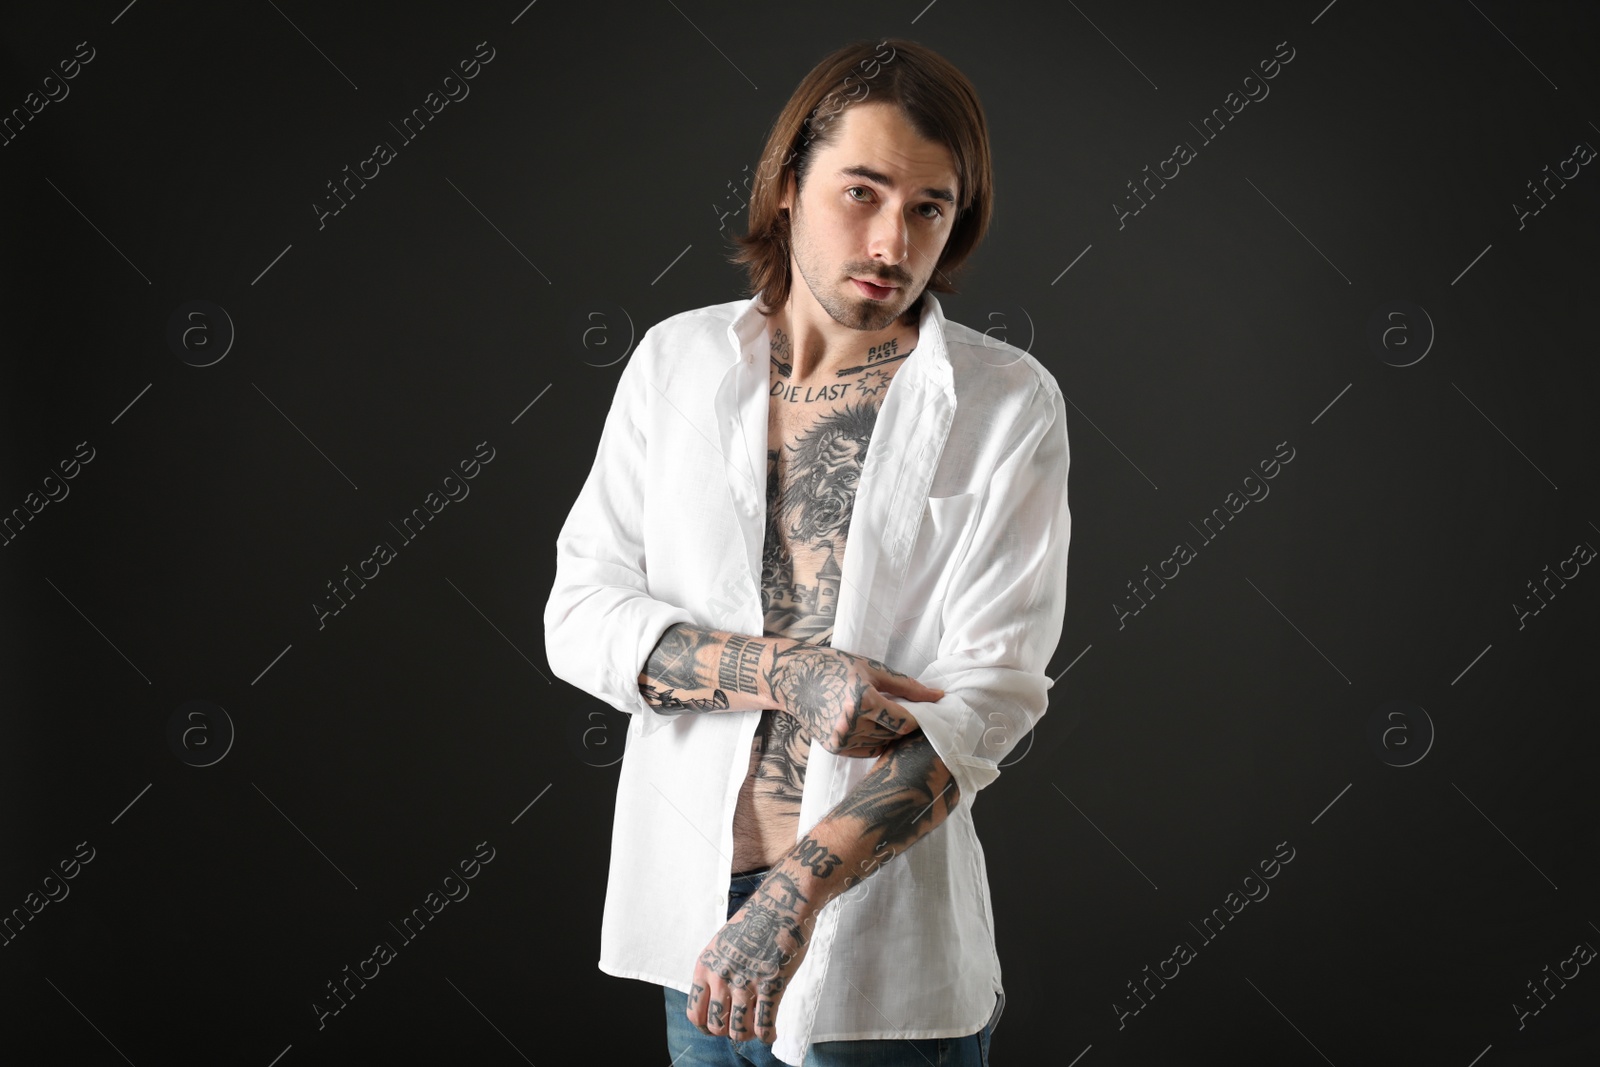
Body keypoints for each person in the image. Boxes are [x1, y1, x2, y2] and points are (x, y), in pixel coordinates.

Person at [544, 36, 1071, 1066]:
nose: (891, 240)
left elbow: (993, 692)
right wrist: (790, 669)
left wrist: (794, 893)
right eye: (861, 192)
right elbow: (580, 613)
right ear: (788, 186)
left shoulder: (1007, 403)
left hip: (879, 952)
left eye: (930, 207)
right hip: (691, 924)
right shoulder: (677, 363)